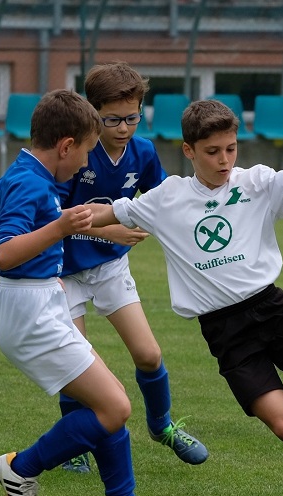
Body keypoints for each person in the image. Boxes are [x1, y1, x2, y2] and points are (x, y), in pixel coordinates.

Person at [88, 99, 283, 496]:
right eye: (212, 152)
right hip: (225, 332)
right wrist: (50, 219)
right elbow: (106, 213)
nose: (224, 160)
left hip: (274, 312)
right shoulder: (167, 198)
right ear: (189, 151)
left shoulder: (255, 182)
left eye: (231, 149)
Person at [0, 89, 177, 496]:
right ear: (66, 146)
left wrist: (93, 226)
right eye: (86, 152)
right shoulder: (29, 184)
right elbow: (5, 255)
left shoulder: (31, 178)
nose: (88, 164)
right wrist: (59, 226)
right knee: (115, 407)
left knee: (107, 401)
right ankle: (21, 467)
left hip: (39, 302)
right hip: (29, 310)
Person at [56, 62, 208, 474]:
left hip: (110, 270)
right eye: (112, 119)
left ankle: (162, 427)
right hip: (66, 270)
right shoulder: (77, 155)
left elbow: (161, 201)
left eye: (132, 117)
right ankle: (73, 444)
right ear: (93, 113)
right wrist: (114, 233)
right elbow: (57, 217)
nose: (124, 128)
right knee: (77, 364)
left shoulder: (142, 152)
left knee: (148, 353)